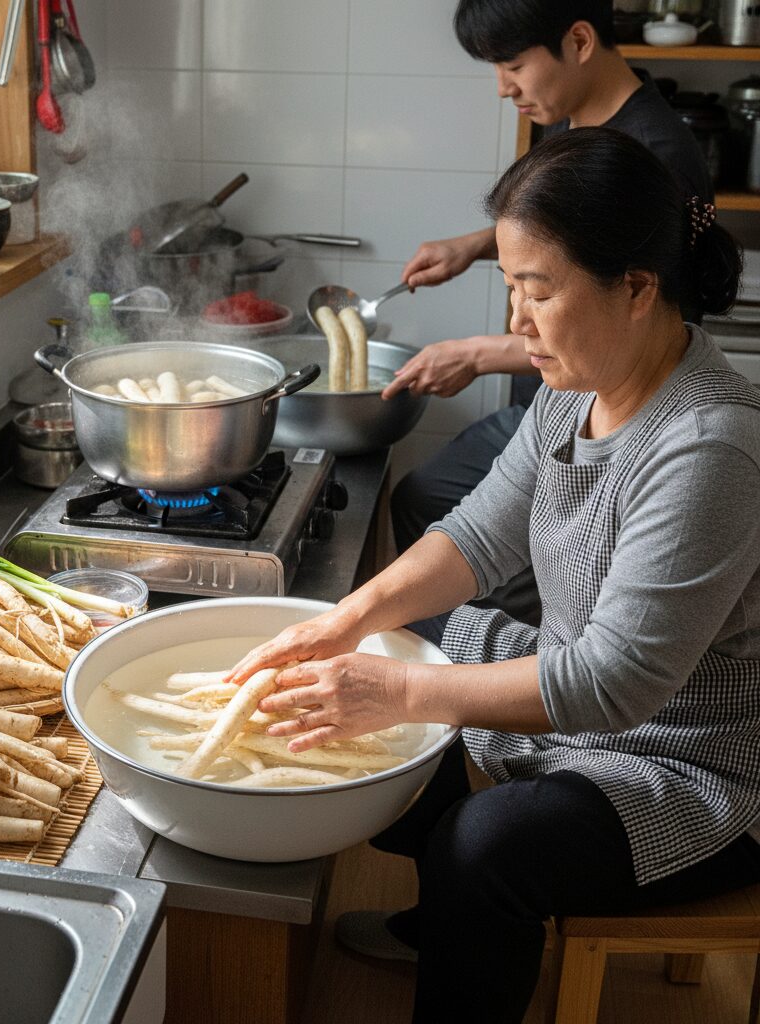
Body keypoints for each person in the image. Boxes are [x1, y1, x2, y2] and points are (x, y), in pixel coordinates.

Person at [229, 128, 759, 1024]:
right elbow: (479, 535)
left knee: (487, 841)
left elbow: (613, 682)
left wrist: (395, 689)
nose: (517, 323)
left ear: (636, 288)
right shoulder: (574, 381)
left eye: (539, 291)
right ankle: (457, 926)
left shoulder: (710, 445)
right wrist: (348, 620)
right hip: (580, 697)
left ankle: (468, 914)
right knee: (375, 670)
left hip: (692, 762)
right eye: (512, 286)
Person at [386, 0, 713, 625]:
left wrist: (479, 354)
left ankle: (526, 663)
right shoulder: (576, 117)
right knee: (435, 506)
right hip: (556, 399)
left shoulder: (654, 154)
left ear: (581, 40)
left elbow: (661, 324)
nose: (504, 87)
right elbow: (565, 233)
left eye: (513, 64)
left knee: (521, 575)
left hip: (612, 411)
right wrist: (477, 246)